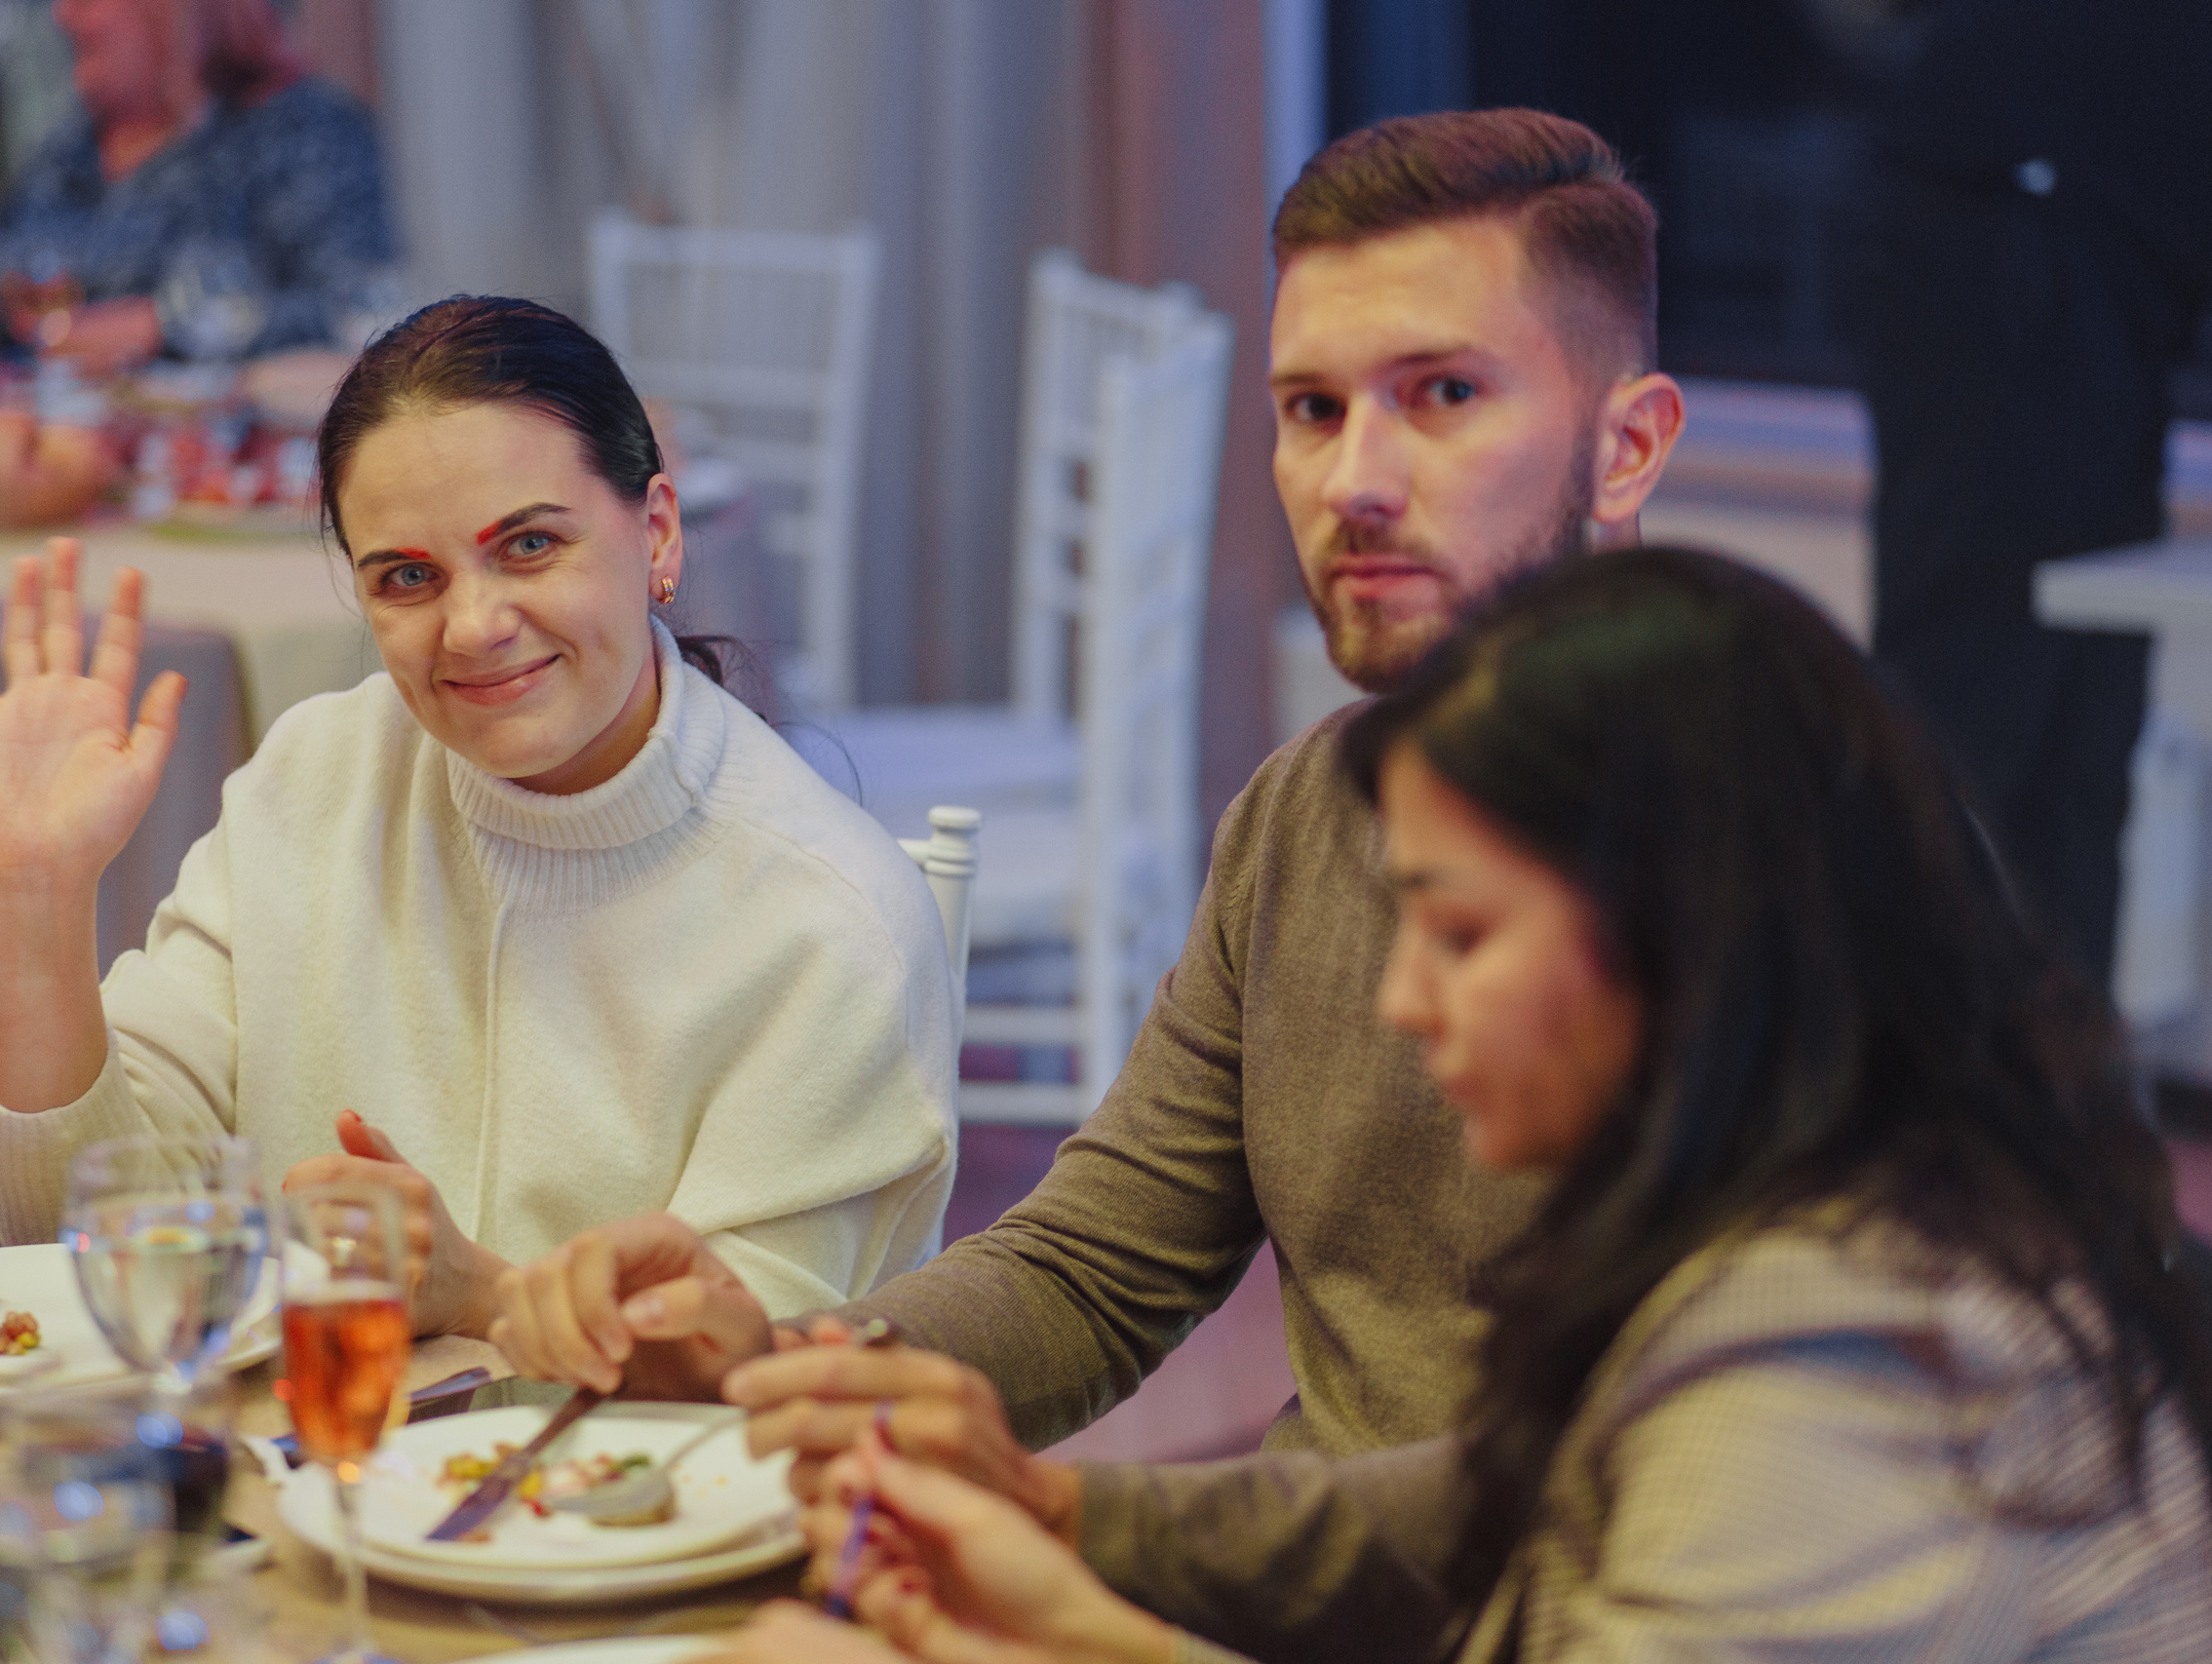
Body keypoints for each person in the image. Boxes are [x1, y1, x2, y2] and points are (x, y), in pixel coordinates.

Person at [487, 107, 1688, 1512]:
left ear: (1627, 446)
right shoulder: (1304, 815)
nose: (1355, 481)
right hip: (1276, 1576)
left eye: (1444, 394)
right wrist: (774, 1362)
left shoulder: (1766, 868)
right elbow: (1094, 1269)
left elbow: (1636, 1501)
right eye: (1312, 409)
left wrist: (1092, 1544)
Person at [710, 548, 2212, 1664]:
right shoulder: (1778, 1211)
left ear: (1688, 929)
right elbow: (1493, 1497)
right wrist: (1061, 1538)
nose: (1405, 999)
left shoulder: (1858, 1357)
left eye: (1463, 931)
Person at [0, 296, 958, 1337]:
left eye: (529, 544)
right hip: (290, 1440)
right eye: (409, 577)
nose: (473, 627)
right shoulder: (317, 777)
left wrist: (480, 1296)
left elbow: (756, 1375)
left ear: (656, 531)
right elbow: (85, 1229)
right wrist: (35, 897)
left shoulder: (824, 923)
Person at [1834, 0, 2212, 988]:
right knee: (1975, 732)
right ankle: (1924, 1061)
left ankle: (2057, 1068)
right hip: (2001, 235)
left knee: (2082, 750)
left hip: (2086, 247)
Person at [0, 0, 394, 369]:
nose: (63, 14)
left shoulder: (304, 134)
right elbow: (5, 282)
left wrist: (165, 326)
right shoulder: (64, 151)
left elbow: (362, 310)